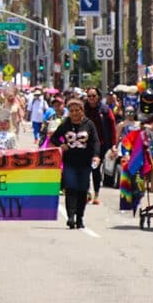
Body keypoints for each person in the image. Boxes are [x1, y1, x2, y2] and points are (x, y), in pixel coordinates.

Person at [50, 98, 101, 230]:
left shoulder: (89, 124)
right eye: (71, 111)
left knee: (82, 190)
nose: (74, 113)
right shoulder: (66, 124)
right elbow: (54, 137)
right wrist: (61, 144)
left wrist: (96, 156)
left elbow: (95, 141)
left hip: (85, 161)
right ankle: (71, 216)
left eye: (77, 110)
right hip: (69, 161)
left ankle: (80, 217)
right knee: (71, 187)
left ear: (82, 111)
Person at [83, 88, 116, 205]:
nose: (91, 98)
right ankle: (87, 192)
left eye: (94, 96)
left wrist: (113, 145)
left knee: (96, 169)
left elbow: (112, 127)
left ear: (98, 96)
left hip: (100, 145)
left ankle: (96, 194)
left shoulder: (105, 110)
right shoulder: (83, 109)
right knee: (85, 169)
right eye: (89, 96)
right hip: (85, 144)